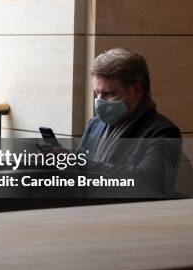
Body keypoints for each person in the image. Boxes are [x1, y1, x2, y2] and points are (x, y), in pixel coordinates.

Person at [76, 48, 182, 194]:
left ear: (137, 91)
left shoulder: (163, 131)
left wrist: (83, 165)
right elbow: (78, 170)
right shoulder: (95, 125)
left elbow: (151, 180)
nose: (99, 101)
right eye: (97, 93)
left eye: (108, 93)